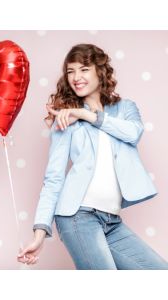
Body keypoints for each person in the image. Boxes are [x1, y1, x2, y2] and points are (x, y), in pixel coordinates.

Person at [17, 43, 168, 269]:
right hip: (78, 216)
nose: (76, 77)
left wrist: (86, 115)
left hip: (112, 220)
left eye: (84, 69)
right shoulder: (65, 119)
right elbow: (53, 179)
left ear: (100, 70)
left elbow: (133, 133)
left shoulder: (125, 108)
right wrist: (40, 232)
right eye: (70, 71)